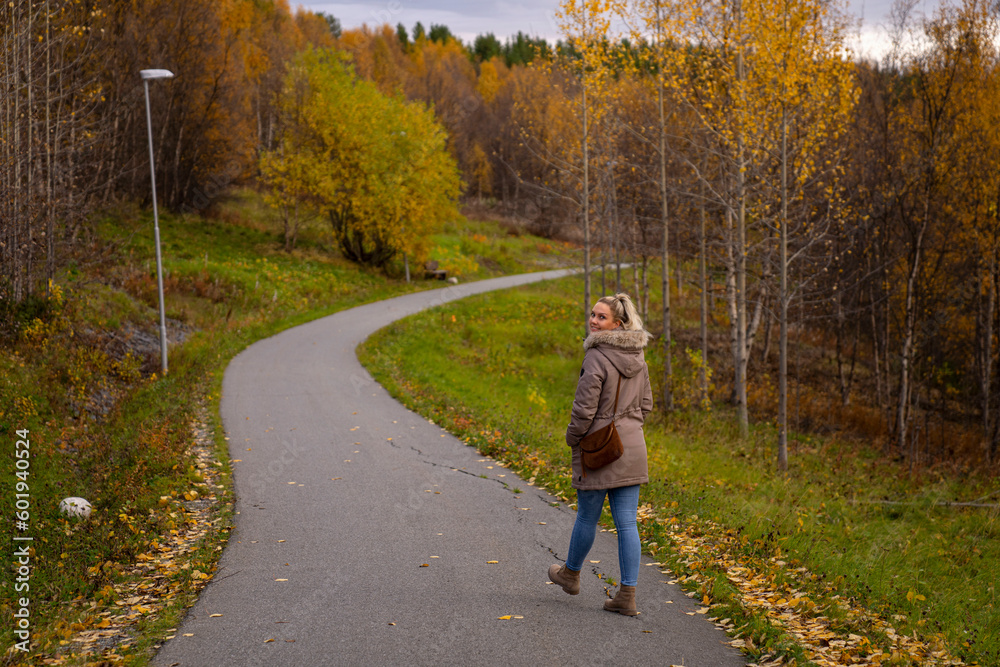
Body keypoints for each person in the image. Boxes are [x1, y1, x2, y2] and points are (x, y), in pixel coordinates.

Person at [547, 293, 652, 616]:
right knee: (627, 523)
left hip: (599, 449)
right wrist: (628, 427)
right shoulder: (638, 356)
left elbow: (584, 409)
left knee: (587, 516)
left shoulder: (596, 356)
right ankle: (627, 595)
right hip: (632, 447)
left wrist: (573, 439)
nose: (593, 320)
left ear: (617, 324)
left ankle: (571, 574)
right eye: (592, 314)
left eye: (601, 317)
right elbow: (646, 405)